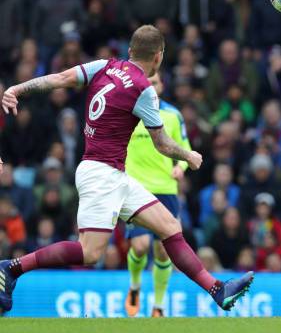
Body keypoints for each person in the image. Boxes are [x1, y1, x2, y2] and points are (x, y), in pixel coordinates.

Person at [0, 25, 253, 314]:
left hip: (113, 174)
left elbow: (60, 78)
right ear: (158, 57)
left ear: (130, 50)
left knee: (170, 227)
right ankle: (12, 268)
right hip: (101, 174)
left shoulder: (105, 65)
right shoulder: (144, 90)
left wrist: (17, 88)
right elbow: (162, 144)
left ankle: (217, 289)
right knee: (89, 252)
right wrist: (189, 155)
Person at [123, 72, 191, 318]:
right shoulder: (128, 113)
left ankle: (159, 306)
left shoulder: (173, 115)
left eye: (155, 82)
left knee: (164, 250)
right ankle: (134, 286)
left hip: (166, 189)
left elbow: (186, 147)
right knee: (140, 246)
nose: (151, 86)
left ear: (161, 86)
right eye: (147, 83)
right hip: (135, 188)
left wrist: (180, 167)